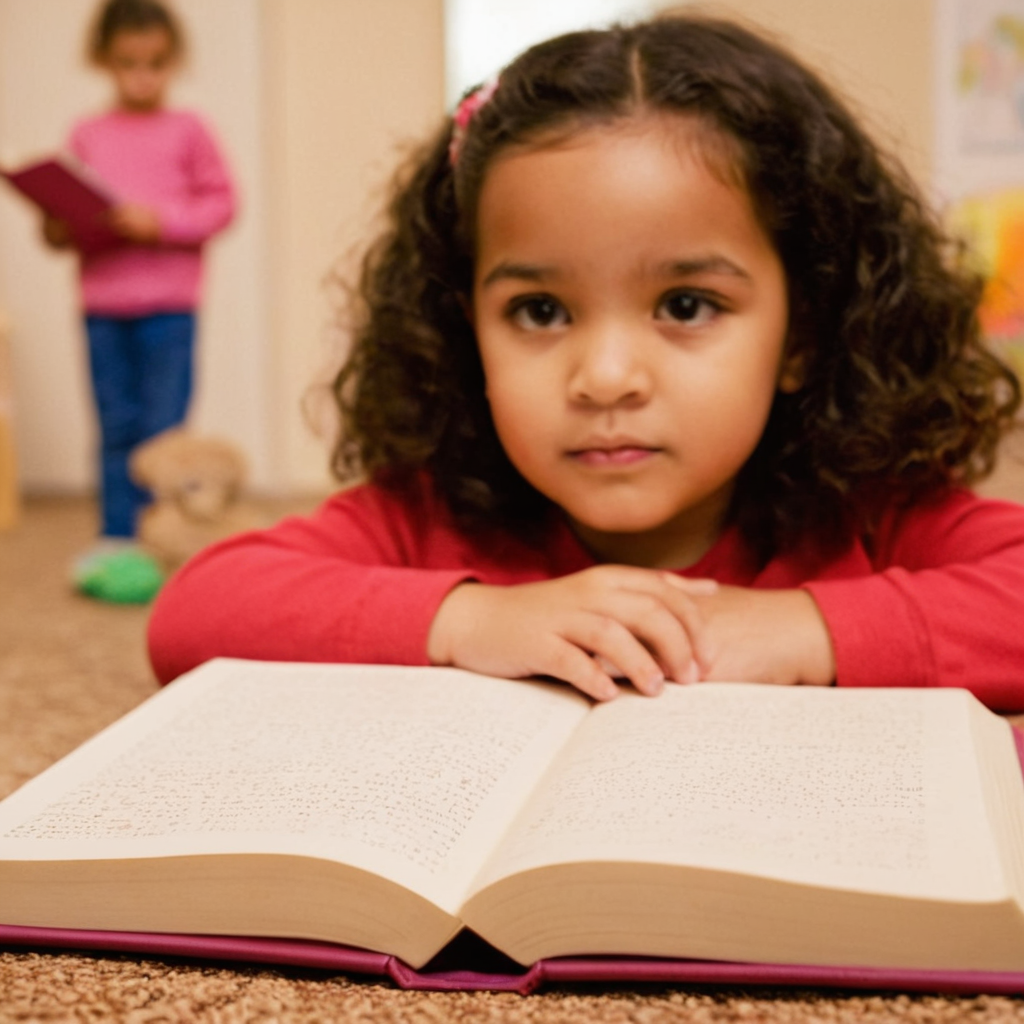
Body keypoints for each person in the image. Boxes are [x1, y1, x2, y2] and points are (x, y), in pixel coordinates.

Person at [149, 14, 1024, 710]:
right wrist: (468, 618)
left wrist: (811, 630)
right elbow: (197, 609)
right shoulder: (431, 517)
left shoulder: (866, 517)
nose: (605, 378)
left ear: (801, 335)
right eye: (539, 311)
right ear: (468, 334)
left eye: (686, 306)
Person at [43, 0, 236, 602]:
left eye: (154, 64)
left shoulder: (190, 130)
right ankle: (118, 539)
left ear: (171, 60)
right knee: (115, 426)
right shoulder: (87, 133)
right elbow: (63, 223)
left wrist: (158, 221)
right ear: (104, 61)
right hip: (103, 306)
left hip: (169, 308)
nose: (142, 77)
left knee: (164, 431)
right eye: (129, 64)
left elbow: (221, 204)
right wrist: (60, 223)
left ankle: (168, 540)